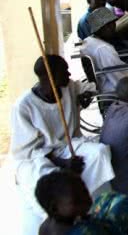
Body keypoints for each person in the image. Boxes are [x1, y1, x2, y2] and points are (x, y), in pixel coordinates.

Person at [10, 55, 114, 216]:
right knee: (48, 180)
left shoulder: (68, 87)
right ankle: (60, 215)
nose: (69, 74)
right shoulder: (24, 107)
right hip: (40, 157)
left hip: (69, 144)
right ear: (50, 76)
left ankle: (85, 197)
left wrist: (85, 97)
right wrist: (62, 163)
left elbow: (89, 87)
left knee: (100, 153)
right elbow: (27, 151)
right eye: (64, 71)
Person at [35, 171, 128, 235]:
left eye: (84, 190)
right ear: (55, 209)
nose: (87, 199)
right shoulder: (85, 232)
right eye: (77, 200)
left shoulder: (46, 226)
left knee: (106, 198)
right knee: (120, 203)